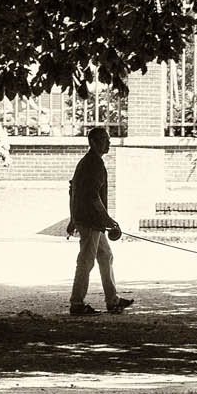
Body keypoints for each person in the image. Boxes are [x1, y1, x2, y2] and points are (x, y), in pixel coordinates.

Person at [66, 126, 133, 316]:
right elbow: (93, 197)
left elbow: (73, 191)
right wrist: (108, 219)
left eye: (108, 139)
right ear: (93, 142)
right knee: (86, 261)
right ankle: (77, 304)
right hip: (90, 221)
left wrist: (73, 218)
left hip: (89, 220)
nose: (108, 143)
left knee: (105, 256)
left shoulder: (87, 163)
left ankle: (113, 301)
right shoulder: (93, 165)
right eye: (104, 140)